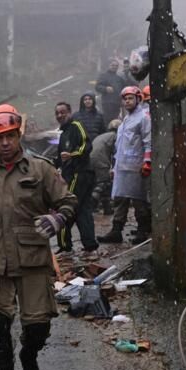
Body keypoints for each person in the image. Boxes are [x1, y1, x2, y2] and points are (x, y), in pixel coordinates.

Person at [0, 104, 78, 370]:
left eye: (9, 136)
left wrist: (58, 218)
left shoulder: (41, 169)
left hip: (32, 259)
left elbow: (68, 201)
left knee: (38, 327)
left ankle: (29, 357)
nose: (5, 143)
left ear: (18, 135)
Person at [99, 87, 152, 245]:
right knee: (120, 199)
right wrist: (114, 167)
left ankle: (142, 230)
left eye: (130, 98)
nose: (127, 101)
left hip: (136, 166)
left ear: (138, 99)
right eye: (125, 99)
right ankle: (116, 231)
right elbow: (119, 147)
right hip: (122, 167)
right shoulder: (124, 121)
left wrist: (147, 161)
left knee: (138, 200)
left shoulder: (144, 118)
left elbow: (148, 141)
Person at [53, 102, 97, 255]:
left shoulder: (76, 125)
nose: (60, 115)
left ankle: (65, 246)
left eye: (63, 112)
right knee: (82, 210)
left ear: (70, 112)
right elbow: (59, 158)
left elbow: (87, 145)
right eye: (57, 113)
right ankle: (90, 245)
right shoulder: (63, 133)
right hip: (73, 174)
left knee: (66, 205)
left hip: (80, 173)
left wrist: (72, 154)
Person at [90, 119, 121, 215]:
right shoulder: (116, 136)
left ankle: (107, 208)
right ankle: (91, 204)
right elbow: (116, 153)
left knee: (103, 184)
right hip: (101, 160)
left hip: (90, 159)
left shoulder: (102, 136)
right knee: (103, 183)